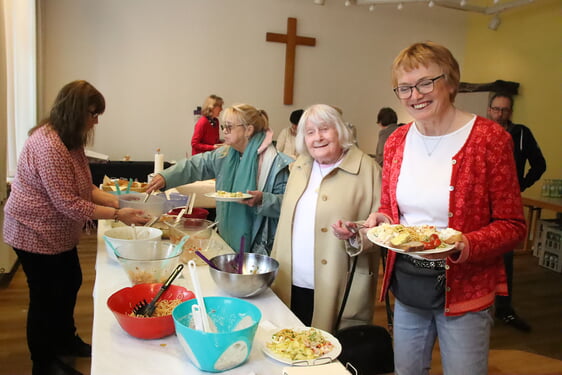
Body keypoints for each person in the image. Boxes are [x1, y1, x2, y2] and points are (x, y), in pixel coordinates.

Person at [333, 42, 526, 374]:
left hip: (466, 289)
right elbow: (392, 213)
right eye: (404, 87)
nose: (414, 95)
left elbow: (513, 226)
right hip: (409, 286)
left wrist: (462, 244)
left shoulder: (490, 139)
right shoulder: (396, 141)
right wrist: (376, 223)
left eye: (425, 83)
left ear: (451, 82)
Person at [3, 80, 148, 375]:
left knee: (69, 282)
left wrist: (119, 202)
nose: (96, 120)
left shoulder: (72, 140)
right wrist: (118, 215)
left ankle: (65, 341)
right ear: (75, 111)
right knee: (45, 296)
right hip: (33, 231)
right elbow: (68, 203)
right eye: (93, 113)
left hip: (55, 232)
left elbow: (83, 187)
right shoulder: (49, 144)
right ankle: (43, 362)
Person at [271, 104, 382, 332]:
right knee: (288, 347)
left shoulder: (369, 170)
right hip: (289, 280)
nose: (317, 138)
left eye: (324, 129)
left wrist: (356, 234)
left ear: (339, 131)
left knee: (326, 357)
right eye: (310, 132)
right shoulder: (300, 165)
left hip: (337, 285)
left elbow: (384, 228)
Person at [147, 104, 293, 255]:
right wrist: (166, 177)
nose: (224, 131)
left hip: (259, 247)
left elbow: (289, 206)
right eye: (223, 126)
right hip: (226, 237)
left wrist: (263, 200)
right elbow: (196, 165)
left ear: (248, 130)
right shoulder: (225, 154)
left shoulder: (274, 163)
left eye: (229, 127)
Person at [488, 92, 546, 332]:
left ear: (510, 112)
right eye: (496, 109)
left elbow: (539, 164)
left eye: (505, 110)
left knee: (506, 257)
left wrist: (520, 185)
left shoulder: (521, 134)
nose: (500, 114)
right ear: (489, 109)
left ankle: (504, 309)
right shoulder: (480, 132)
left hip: (506, 206)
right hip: (478, 204)